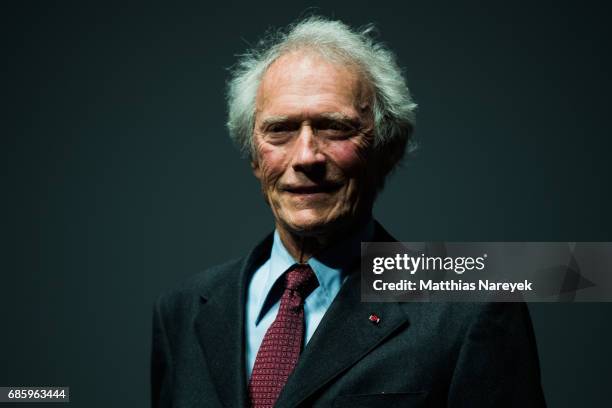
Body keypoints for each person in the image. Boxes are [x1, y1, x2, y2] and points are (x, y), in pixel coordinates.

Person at [151, 16, 546, 408]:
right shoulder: (183, 311)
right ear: (254, 155)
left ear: (386, 151)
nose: (306, 156)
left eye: (334, 128)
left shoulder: (472, 307)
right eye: (280, 129)